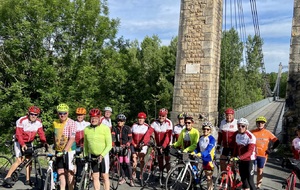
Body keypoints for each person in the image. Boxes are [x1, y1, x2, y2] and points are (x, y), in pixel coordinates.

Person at [3, 106, 47, 187]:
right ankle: (7, 177)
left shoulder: (38, 122)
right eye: (32, 114)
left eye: (36, 115)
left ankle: (28, 179)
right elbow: (18, 134)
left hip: (29, 141)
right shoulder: (22, 120)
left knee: (29, 160)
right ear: (28, 113)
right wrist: (22, 144)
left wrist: (44, 142)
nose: (33, 116)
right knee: (19, 160)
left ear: (38, 115)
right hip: (19, 141)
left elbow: (41, 133)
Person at [84, 108, 112, 190]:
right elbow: (85, 144)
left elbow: (109, 145)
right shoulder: (86, 129)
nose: (93, 120)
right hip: (92, 155)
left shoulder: (105, 128)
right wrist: (85, 155)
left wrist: (102, 155)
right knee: (95, 176)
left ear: (99, 118)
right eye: (92, 118)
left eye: (95, 118)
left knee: (104, 176)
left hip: (103, 155)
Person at [251, 116, 279, 189]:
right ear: (256, 123)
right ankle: (249, 183)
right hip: (252, 155)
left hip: (263, 155)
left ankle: (258, 186)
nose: (260, 124)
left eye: (262, 123)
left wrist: (271, 149)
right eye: (259, 123)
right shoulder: (252, 132)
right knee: (250, 170)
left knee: (259, 170)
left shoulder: (267, 133)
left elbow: (277, 141)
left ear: (264, 124)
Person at [53, 103, 76, 190]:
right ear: (57, 113)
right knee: (60, 171)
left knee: (70, 172)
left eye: (64, 113)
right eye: (60, 113)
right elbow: (54, 136)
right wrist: (54, 147)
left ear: (68, 113)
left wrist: (65, 151)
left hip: (69, 150)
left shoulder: (72, 123)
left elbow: (72, 138)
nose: (62, 115)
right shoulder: (55, 123)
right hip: (59, 150)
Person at [144, 108, 173, 172]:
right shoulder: (155, 122)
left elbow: (168, 137)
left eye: (163, 116)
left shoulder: (169, 123)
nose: (161, 117)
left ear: (166, 116)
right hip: (158, 143)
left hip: (166, 143)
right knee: (160, 159)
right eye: (160, 115)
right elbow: (149, 132)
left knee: (167, 159)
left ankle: (169, 175)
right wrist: (145, 141)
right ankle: (161, 174)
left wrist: (163, 146)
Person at [232, 118, 256, 190]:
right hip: (241, 160)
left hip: (249, 160)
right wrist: (233, 156)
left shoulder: (251, 136)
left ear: (246, 127)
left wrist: (239, 157)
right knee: (243, 179)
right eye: (239, 126)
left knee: (250, 180)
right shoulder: (237, 135)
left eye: (243, 126)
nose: (240, 127)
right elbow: (236, 147)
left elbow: (250, 152)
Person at [111, 114, 134, 186]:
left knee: (127, 164)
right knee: (120, 163)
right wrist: (113, 145)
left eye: (121, 121)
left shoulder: (127, 128)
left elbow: (130, 139)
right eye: (118, 120)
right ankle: (123, 178)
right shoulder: (114, 128)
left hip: (126, 148)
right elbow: (113, 137)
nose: (119, 122)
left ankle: (131, 179)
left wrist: (127, 144)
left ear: (124, 122)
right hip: (119, 148)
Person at [192, 121, 216, 190]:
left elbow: (208, 150)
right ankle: (196, 183)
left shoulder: (212, 139)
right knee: (194, 169)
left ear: (210, 130)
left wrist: (201, 154)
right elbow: (197, 148)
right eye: (204, 129)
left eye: (207, 129)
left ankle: (210, 188)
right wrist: (194, 152)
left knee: (208, 177)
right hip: (201, 157)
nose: (205, 130)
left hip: (208, 159)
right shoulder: (201, 137)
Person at [217, 108, 238, 173]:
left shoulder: (236, 122)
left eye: (230, 115)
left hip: (234, 147)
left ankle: (232, 177)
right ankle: (223, 176)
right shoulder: (222, 122)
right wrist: (218, 144)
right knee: (222, 160)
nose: (228, 117)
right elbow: (220, 134)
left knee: (232, 163)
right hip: (225, 146)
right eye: (227, 115)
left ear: (233, 115)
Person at [131, 112, 149, 180]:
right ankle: (134, 172)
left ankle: (141, 173)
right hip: (135, 144)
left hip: (143, 145)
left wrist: (143, 144)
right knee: (134, 159)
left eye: (142, 119)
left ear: (144, 119)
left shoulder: (147, 126)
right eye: (139, 118)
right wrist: (133, 143)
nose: (140, 120)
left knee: (141, 160)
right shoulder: (134, 125)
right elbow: (131, 136)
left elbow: (148, 137)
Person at [74, 107, 90, 182]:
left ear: (84, 115)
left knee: (88, 163)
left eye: (81, 115)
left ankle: (89, 179)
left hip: (86, 147)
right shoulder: (73, 124)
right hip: (76, 146)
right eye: (78, 115)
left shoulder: (88, 124)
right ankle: (78, 178)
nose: (79, 116)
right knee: (77, 163)